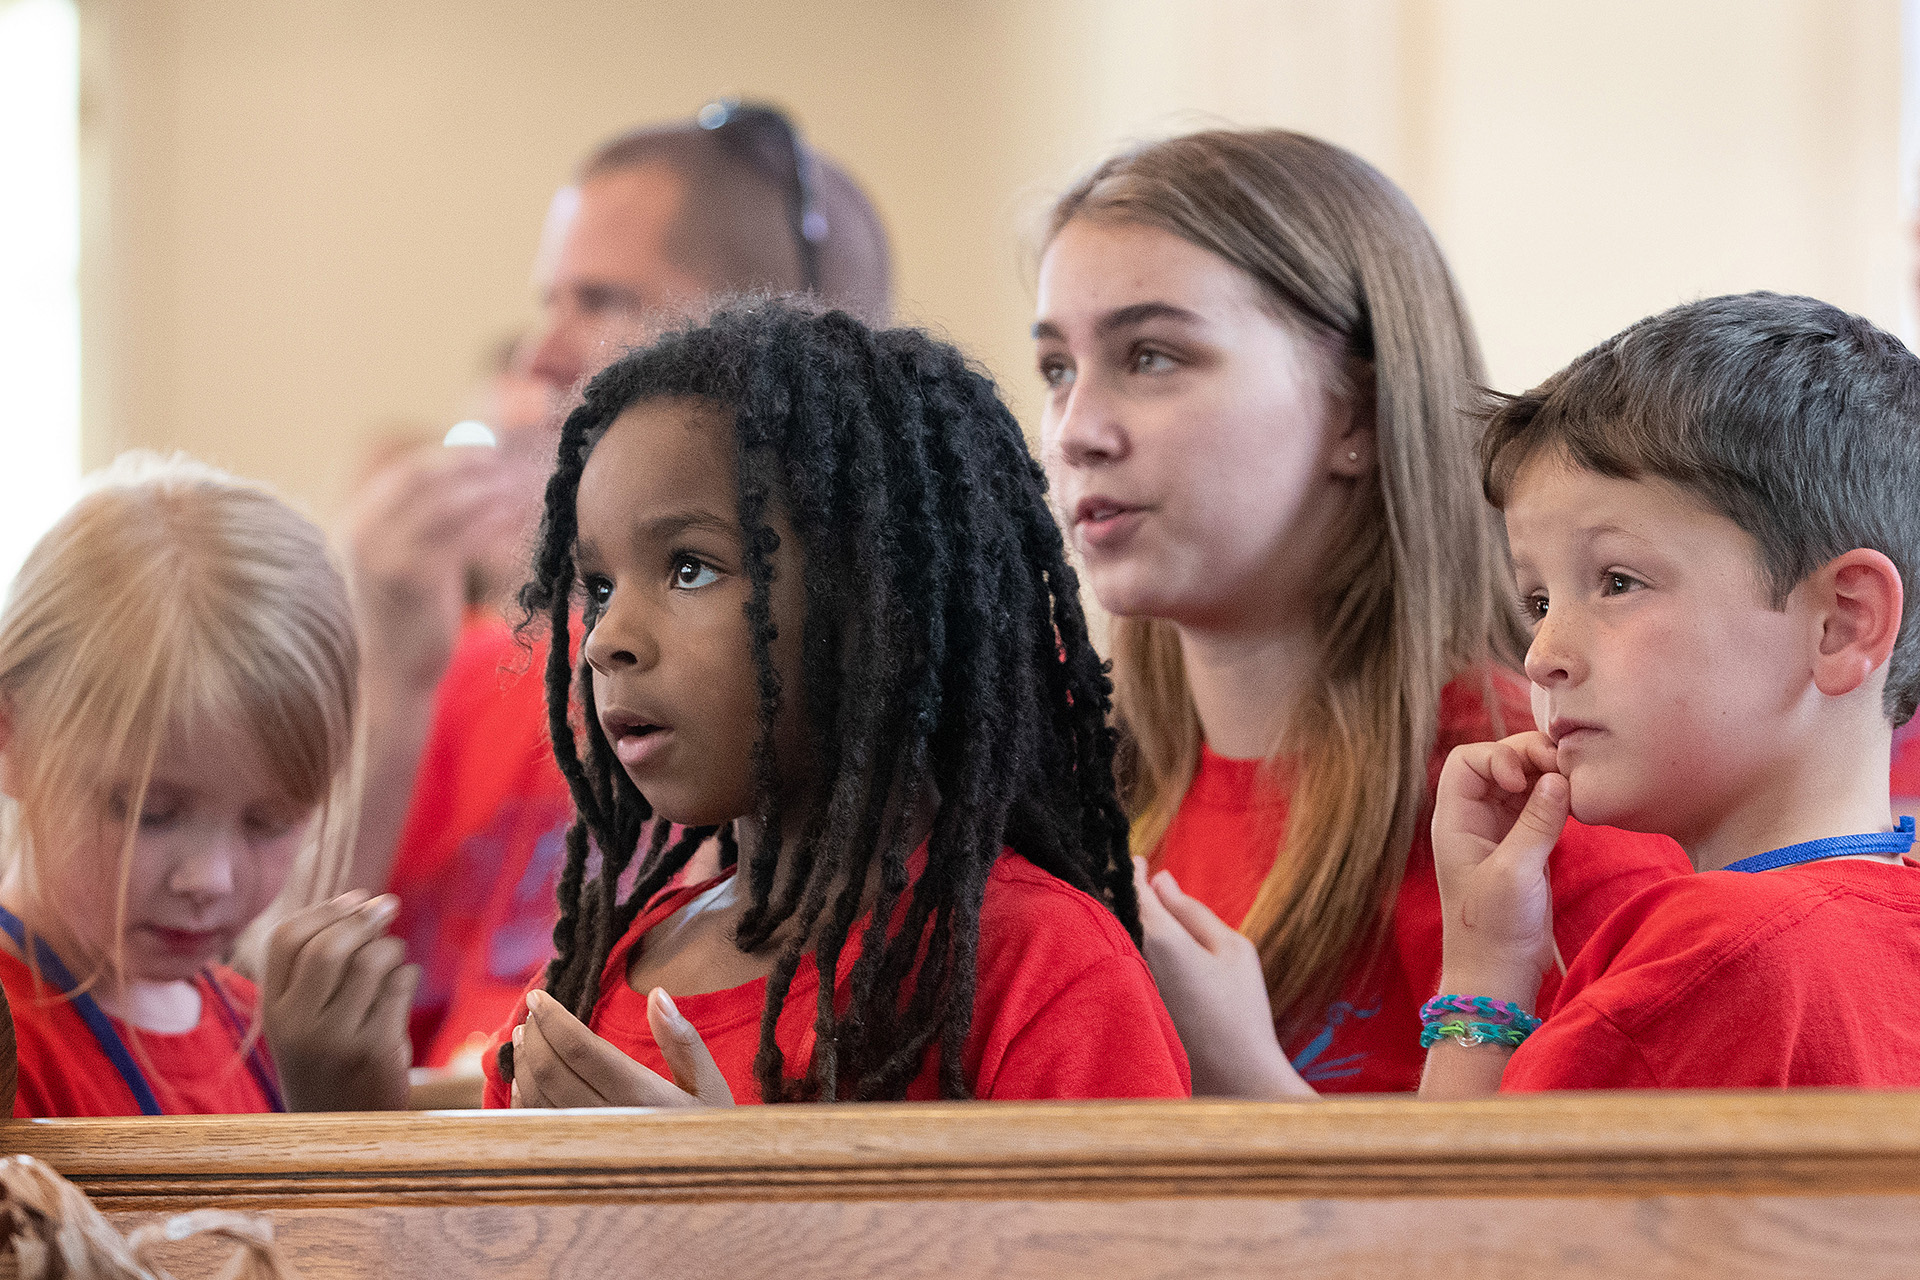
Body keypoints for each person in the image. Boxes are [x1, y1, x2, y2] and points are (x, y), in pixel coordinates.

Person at [1032, 128, 1691, 1097]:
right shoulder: (1069, 785)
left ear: (1357, 414)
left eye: (1153, 356)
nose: (1078, 430)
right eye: (1056, 368)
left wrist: (1248, 1087)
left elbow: (1565, 1234)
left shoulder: (1538, 800)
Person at [483, 302, 1189, 1105]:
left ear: (881, 606)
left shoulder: (1042, 969)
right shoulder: (588, 984)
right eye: (600, 586)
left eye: (690, 568)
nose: (608, 637)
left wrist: (725, 1202)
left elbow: (1116, 1239)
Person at [347, 104, 895, 1070]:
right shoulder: (490, 666)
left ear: (763, 331)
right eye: (546, 301)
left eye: (598, 302)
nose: (538, 356)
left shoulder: (915, 678)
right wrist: (390, 677)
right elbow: (262, 1009)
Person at [1422, 293, 1920, 1095]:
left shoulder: (1706, 956)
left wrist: (1483, 975)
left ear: (1841, 624)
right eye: (1539, 602)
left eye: (1618, 582)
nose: (1543, 653)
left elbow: (1459, 1220)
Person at [0, 454, 416, 1116]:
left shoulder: (264, 1027)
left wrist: (352, 1107)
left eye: (269, 821)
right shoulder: (14, 1041)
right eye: (151, 813)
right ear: (11, 739)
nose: (211, 880)